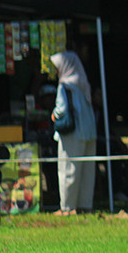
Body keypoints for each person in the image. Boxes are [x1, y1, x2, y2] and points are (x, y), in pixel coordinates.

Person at [50, 51, 97, 215]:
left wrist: (54, 115)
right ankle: (85, 206)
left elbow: (61, 109)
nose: (56, 72)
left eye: (57, 68)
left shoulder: (65, 86)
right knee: (87, 171)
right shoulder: (82, 82)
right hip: (89, 132)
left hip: (72, 133)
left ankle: (67, 208)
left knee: (67, 169)